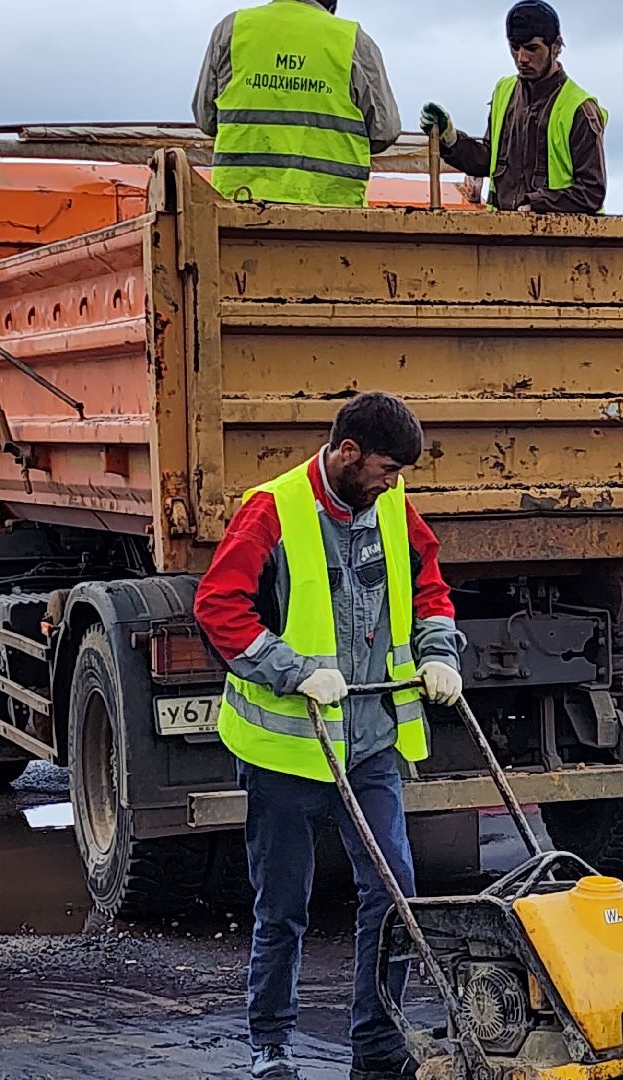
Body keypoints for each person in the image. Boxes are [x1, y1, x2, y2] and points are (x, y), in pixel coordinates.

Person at [194, 392, 466, 1080]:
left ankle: (377, 1043)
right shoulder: (273, 510)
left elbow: (429, 591)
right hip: (289, 748)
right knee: (283, 903)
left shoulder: (393, 512)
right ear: (348, 454)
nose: (394, 482)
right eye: (385, 468)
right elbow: (217, 607)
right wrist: (291, 672)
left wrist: (439, 654)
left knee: (394, 889)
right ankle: (272, 1045)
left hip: (370, 741)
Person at [192, 0, 404, 207]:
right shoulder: (354, 41)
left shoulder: (232, 30)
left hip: (236, 209)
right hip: (333, 213)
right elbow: (384, 132)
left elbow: (206, 120)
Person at [418, 0, 607, 214]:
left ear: (556, 47)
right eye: (514, 47)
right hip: (503, 234)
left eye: (532, 48)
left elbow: (592, 192)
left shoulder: (579, 108)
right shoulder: (504, 92)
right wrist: (451, 140)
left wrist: (536, 204)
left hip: (559, 240)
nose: (521, 58)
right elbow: (490, 161)